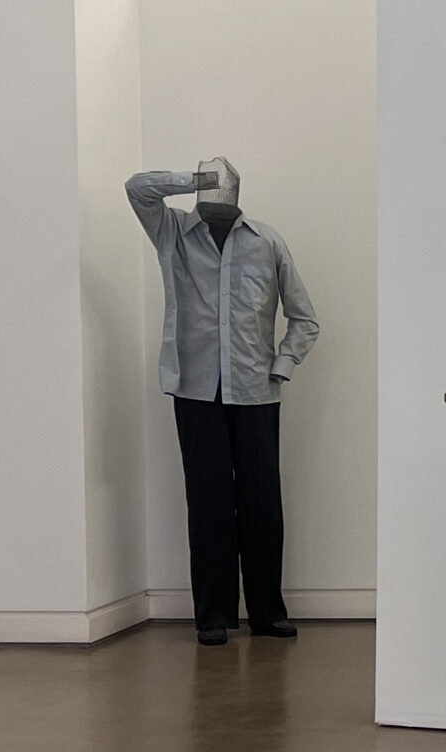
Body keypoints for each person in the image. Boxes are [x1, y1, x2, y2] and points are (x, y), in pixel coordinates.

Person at [126, 158, 319, 645]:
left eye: (218, 187)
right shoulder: (173, 233)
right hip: (195, 390)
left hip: (256, 391)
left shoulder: (267, 241)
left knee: (261, 502)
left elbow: (304, 318)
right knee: (207, 500)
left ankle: (267, 612)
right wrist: (194, 182)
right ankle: (212, 616)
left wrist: (283, 364)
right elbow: (138, 188)